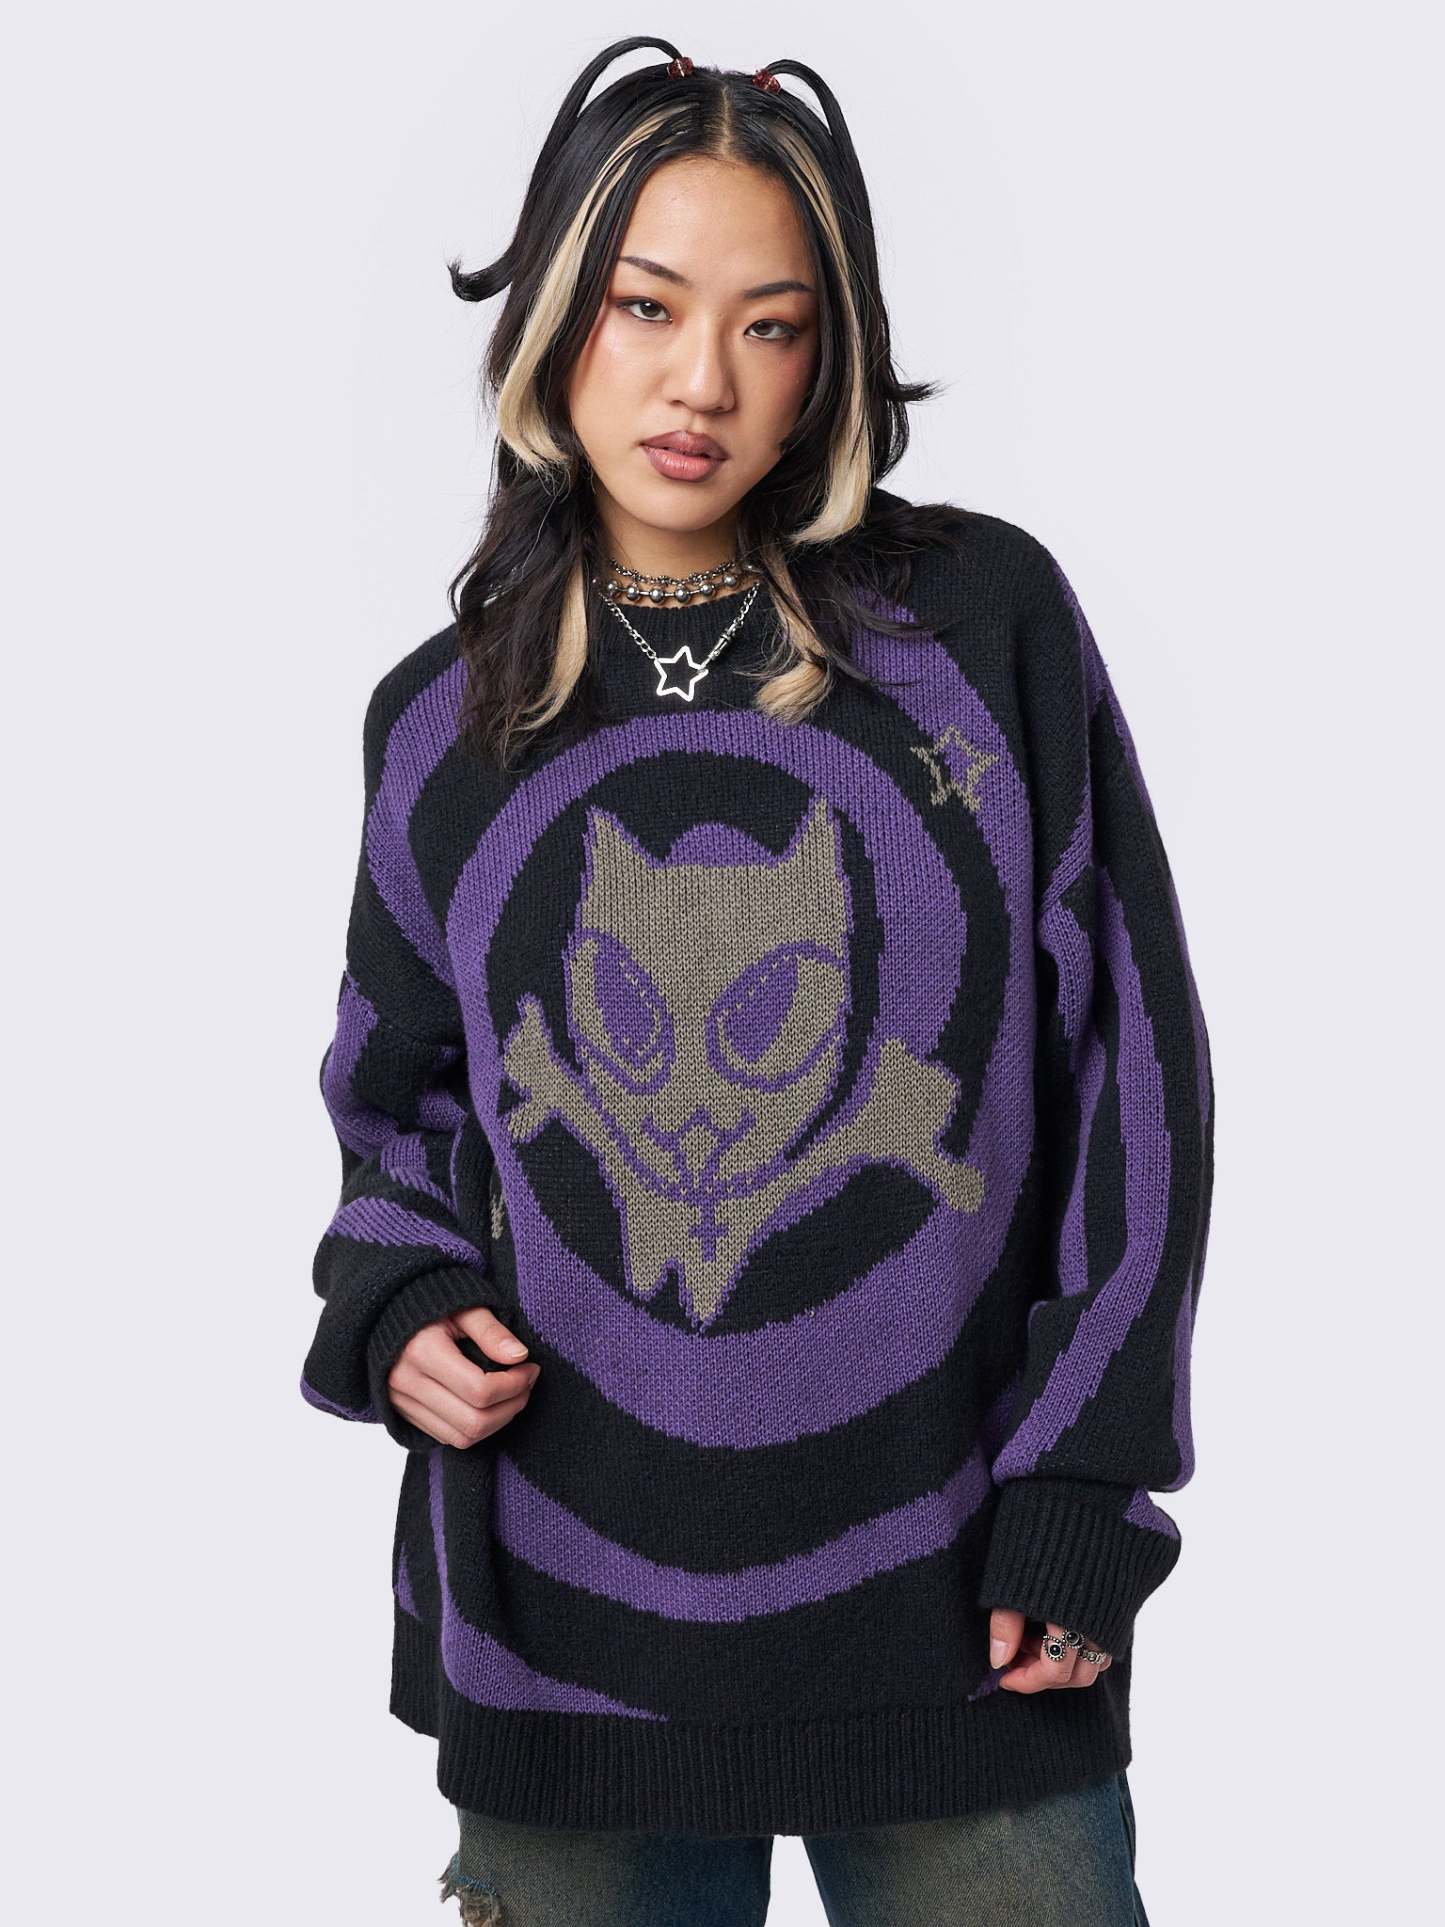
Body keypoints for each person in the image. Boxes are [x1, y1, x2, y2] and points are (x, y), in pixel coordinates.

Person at [299, 37, 1214, 1927]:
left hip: (962, 1615)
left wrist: (1086, 1488)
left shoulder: (975, 630)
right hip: (563, 1632)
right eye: (645, 305)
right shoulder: (442, 725)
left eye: (770, 325)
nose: (700, 381)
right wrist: (400, 1304)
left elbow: (1129, 1066)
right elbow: (398, 1110)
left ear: (832, 358)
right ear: (555, 313)